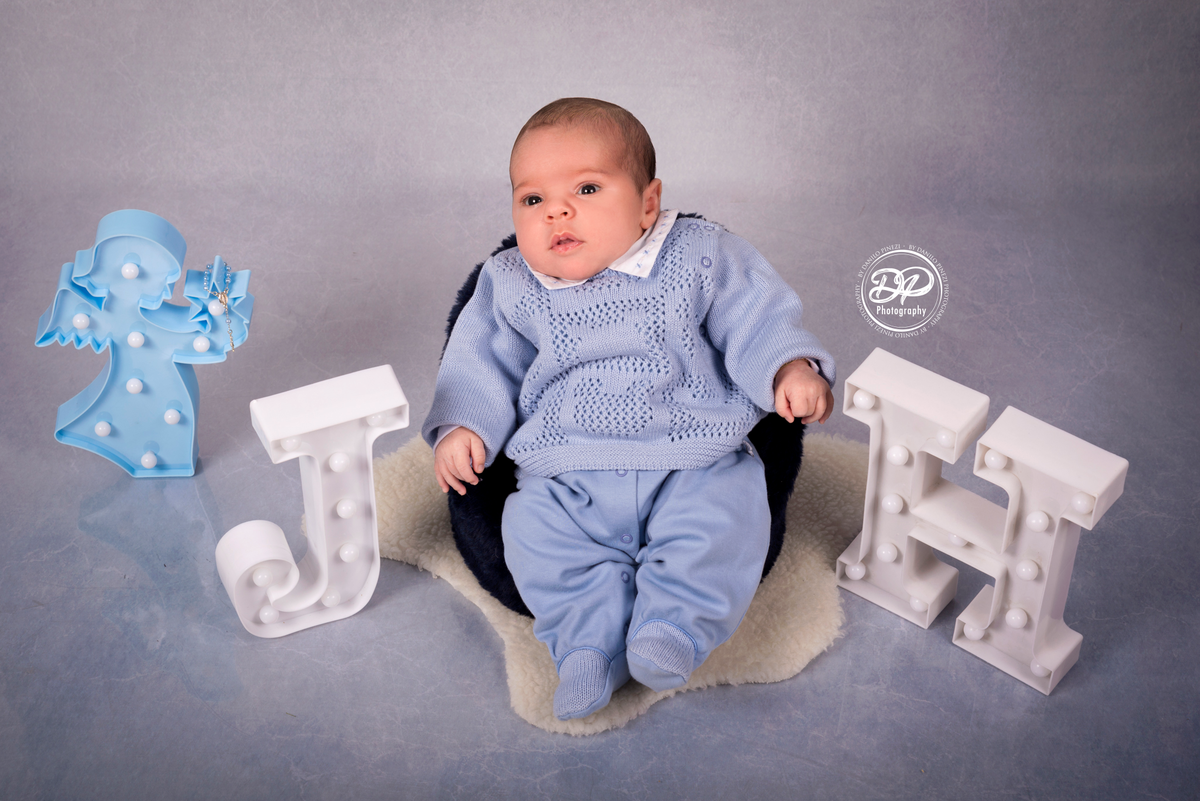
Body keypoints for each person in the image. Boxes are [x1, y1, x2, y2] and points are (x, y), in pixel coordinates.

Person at [422, 98, 835, 720]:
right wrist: (463, 425)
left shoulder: (698, 253)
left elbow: (753, 314)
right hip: (566, 474)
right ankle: (585, 646)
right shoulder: (508, 281)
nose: (557, 210)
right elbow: (478, 362)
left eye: (587, 188)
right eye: (532, 199)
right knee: (531, 534)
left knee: (726, 520)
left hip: (695, 458)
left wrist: (788, 367)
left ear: (647, 202)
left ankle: (674, 626)